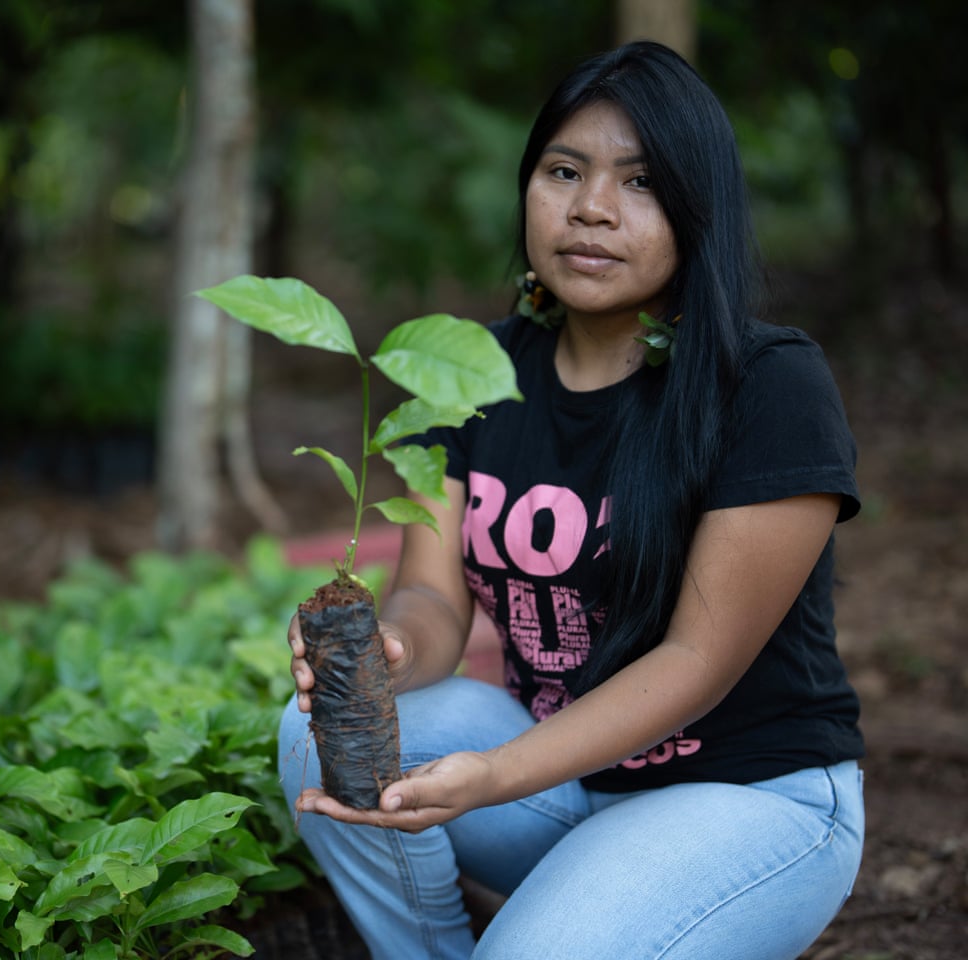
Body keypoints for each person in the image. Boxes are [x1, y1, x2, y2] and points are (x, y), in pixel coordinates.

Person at [278, 40, 865, 960]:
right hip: (568, 782)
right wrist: (389, 652)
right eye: (564, 171)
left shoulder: (767, 385)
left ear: (697, 207)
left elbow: (697, 663)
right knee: (318, 729)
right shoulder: (466, 373)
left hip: (749, 799)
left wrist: (496, 775)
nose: (591, 208)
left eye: (640, 182)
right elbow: (433, 598)